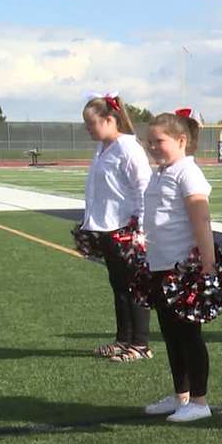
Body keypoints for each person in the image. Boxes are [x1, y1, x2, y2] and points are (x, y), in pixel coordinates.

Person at [139, 110, 216, 423]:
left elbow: (202, 220)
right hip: (159, 264)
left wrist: (208, 263)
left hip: (182, 268)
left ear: (181, 140)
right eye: (149, 142)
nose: (152, 147)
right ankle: (180, 395)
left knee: (188, 334)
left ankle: (199, 401)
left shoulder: (188, 173)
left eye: (159, 141)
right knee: (171, 335)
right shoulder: (161, 172)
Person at [81, 94, 153, 363]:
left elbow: (143, 188)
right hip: (107, 227)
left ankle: (141, 344)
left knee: (134, 288)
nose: (88, 129)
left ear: (110, 120)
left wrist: (140, 229)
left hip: (126, 228)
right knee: (119, 286)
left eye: (92, 123)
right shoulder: (103, 148)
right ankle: (123, 340)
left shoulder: (127, 148)